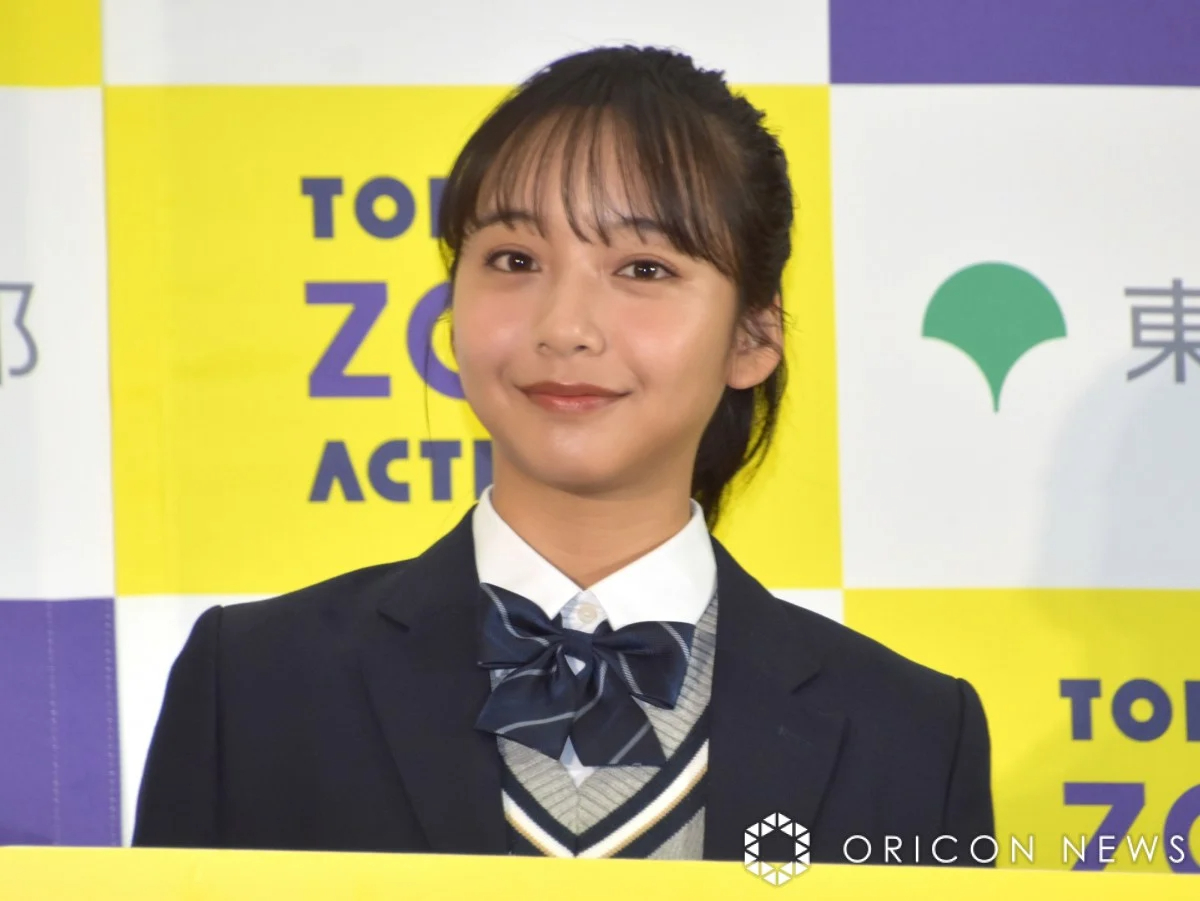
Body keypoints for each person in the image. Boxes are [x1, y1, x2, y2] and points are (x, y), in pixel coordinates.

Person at [133, 44, 994, 864]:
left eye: (644, 269)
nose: (565, 327)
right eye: (514, 259)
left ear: (754, 335)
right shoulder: (254, 684)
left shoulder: (911, 732)